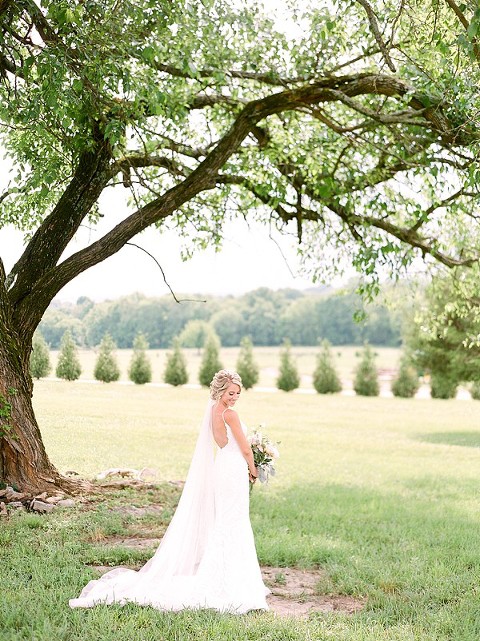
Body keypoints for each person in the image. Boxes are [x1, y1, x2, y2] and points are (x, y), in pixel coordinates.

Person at [69, 369, 269, 613]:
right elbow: (245, 449)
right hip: (234, 469)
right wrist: (254, 468)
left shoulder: (214, 412)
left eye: (238, 393)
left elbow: (222, 444)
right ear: (220, 390)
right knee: (234, 521)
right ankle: (232, 581)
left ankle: (224, 575)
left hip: (223, 466)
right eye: (230, 392)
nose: (235, 397)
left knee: (227, 521)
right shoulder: (230, 415)